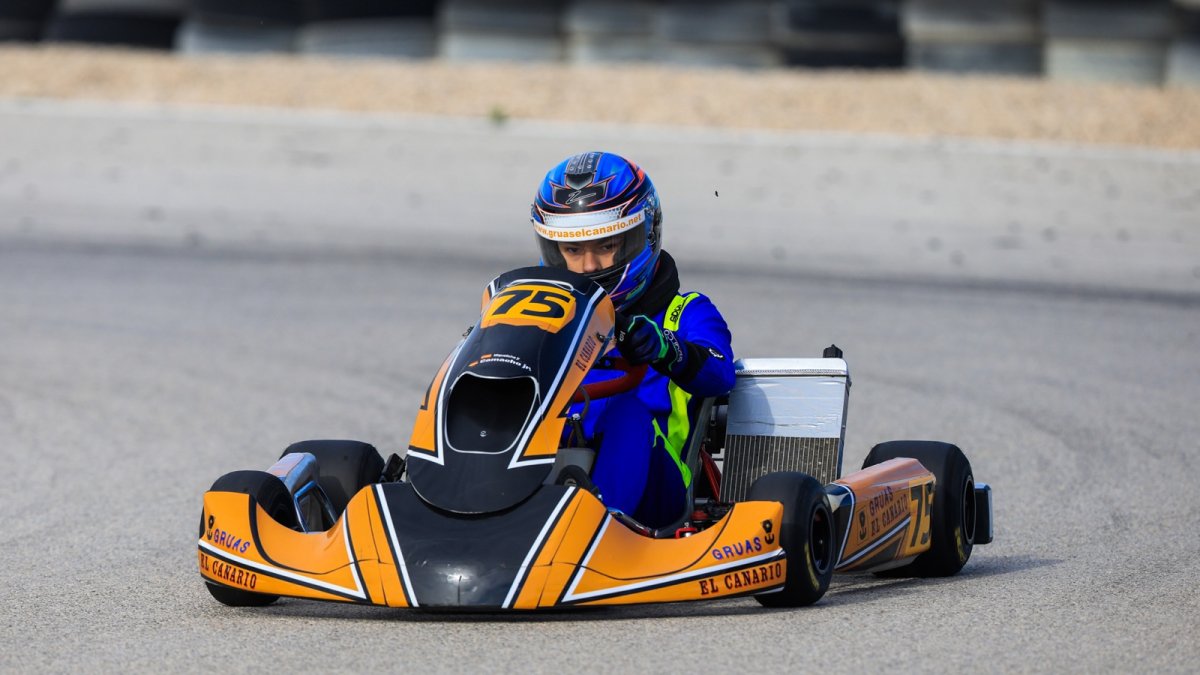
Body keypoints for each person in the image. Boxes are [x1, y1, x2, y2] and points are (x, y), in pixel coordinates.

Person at [530, 151, 736, 529]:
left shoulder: (685, 311)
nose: (588, 267)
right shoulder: (540, 315)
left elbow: (721, 374)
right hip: (547, 460)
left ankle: (599, 529)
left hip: (658, 489)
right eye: (573, 250)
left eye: (604, 247)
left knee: (626, 411)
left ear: (645, 235)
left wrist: (664, 348)